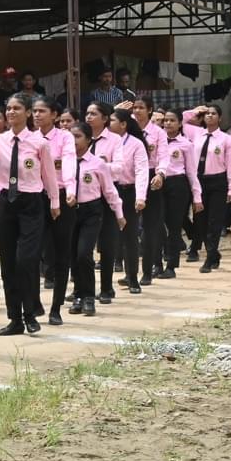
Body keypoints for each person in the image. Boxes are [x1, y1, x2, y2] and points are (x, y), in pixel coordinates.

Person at [0, 93, 60, 335]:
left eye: (17, 108)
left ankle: (30, 312)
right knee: (7, 261)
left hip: (31, 202)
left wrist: (55, 201)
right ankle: (15, 318)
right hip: (6, 201)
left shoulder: (39, 143)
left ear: (28, 113)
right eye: (8, 108)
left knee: (26, 260)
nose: (11, 112)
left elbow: (49, 175)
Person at [67, 122, 125, 316]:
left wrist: (119, 214)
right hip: (69, 212)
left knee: (84, 253)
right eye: (70, 136)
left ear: (88, 140)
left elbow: (109, 190)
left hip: (91, 212)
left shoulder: (97, 163)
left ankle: (89, 297)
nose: (73, 141)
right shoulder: (63, 161)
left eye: (77, 136)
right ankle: (78, 295)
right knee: (73, 255)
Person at [32, 97, 76, 325]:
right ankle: (34, 302)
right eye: (35, 111)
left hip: (60, 196)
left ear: (54, 115)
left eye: (42, 111)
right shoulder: (29, 138)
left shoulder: (65, 137)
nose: (37, 115)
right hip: (34, 198)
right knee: (31, 253)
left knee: (61, 254)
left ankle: (56, 307)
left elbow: (68, 162)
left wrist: (69, 188)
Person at [189, 104, 231, 273]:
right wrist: (196, 112)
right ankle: (214, 253)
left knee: (215, 221)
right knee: (200, 221)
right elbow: (182, 119)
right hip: (199, 181)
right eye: (207, 114)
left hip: (218, 181)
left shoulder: (226, 139)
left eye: (213, 113)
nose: (209, 116)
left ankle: (209, 259)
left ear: (220, 118)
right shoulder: (196, 134)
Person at [155, 109, 203, 277]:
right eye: (166, 120)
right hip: (158, 182)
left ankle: (171, 266)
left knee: (175, 226)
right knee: (156, 224)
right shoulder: (156, 141)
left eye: (172, 120)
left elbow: (191, 171)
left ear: (180, 123)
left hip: (177, 184)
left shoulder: (186, 144)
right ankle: (156, 263)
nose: (168, 123)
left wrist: (197, 196)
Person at [108, 108, 149, 292]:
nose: (109, 124)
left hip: (128, 191)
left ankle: (133, 278)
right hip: (109, 192)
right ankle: (105, 285)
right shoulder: (104, 142)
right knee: (108, 237)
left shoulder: (136, 144)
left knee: (130, 236)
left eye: (112, 120)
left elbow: (141, 171)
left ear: (123, 124)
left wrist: (140, 196)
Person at [83, 102, 119, 303]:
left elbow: (120, 167)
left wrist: (97, 167)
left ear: (105, 118)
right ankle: (82, 287)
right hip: (84, 194)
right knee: (82, 245)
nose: (88, 117)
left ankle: (106, 287)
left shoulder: (114, 140)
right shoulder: (80, 137)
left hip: (107, 193)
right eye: (87, 113)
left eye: (93, 114)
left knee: (106, 242)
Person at [132, 96, 169, 283]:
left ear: (150, 110)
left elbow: (163, 156)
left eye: (141, 107)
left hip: (152, 176)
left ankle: (150, 268)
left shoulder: (158, 133)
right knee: (130, 227)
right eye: (135, 107)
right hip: (131, 178)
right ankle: (131, 272)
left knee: (151, 226)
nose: (137, 111)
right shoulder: (128, 128)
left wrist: (161, 174)